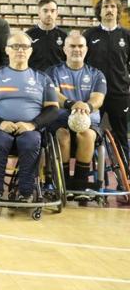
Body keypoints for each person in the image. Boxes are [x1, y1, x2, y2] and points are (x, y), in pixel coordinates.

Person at [0, 33, 59, 201]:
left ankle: (26, 191)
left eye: (24, 46)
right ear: (7, 50)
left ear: (30, 51)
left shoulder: (42, 78)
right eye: (15, 46)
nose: (20, 50)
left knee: (30, 143)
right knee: (0, 141)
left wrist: (33, 125)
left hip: (30, 129)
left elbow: (53, 109)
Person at [46, 32, 106, 191]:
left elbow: (98, 99)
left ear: (86, 49)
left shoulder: (96, 74)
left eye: (80, 46)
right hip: (60, 120)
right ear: (64, 49)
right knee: (63, 136)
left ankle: (80, 186)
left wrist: (87, 107)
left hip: (88, 121)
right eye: (72, 46)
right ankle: (63, 183)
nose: (76, 49)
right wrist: (72, 104)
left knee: (86, 135)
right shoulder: (53, 72)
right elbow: (54, 95)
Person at [84, 0, 130, 161]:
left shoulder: (126, 35)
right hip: (94, 95)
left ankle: (126, 172)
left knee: (121, 135)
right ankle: (89, 172)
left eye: (113, 7)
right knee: (88, 133)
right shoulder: (89, 35)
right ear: (100, 11)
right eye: (105, 7)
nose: (109, 10)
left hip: (119, 94)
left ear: (117, 11)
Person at [26, 0, 67, 71]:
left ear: (57, 13)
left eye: (52, 11)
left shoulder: (65, 36)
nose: (49, 14)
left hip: (57, 79)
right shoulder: (27, 36)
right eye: (45, 11)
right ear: (39, 13)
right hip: (34, 79)